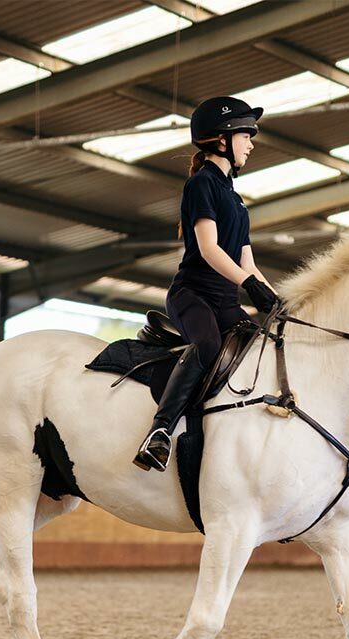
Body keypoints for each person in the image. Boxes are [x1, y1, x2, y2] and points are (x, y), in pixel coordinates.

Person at [133, 95, 281, 471]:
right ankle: (160, 431)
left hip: (226, 301)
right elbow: (209, 248)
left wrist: (277, 300)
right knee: (208, 343)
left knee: (259, 346)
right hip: (192, 295)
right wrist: (250, 285)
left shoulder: (237, 199)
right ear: (222, 139)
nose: (251, 142)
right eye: (247, 134)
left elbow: (247, 260)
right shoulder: (202, 185)